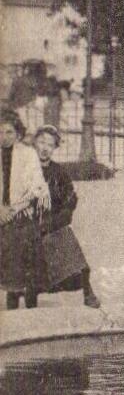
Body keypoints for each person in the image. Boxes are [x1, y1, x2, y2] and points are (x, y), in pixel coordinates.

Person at [33, 126, 101, 308]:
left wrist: (60, 219)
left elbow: (70, 199)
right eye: (41, 142)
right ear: (34, 143)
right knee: (29, 270)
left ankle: (88, 292)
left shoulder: (59, 172)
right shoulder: (24, 170)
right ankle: (28, 301)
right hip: (29, 226)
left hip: (54, 225)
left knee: (77, 261)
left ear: (55, 148)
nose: (45, 148)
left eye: (50, 144)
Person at [0, 106, 49, 309]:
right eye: (0, 132)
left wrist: (12, 210)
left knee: (25, 256)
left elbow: (36, 187)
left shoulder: (28, 154)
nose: (3, 136)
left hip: (20, 214)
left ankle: (29, 304)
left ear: (18, 133)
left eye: (9, 132)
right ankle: (11, 302)